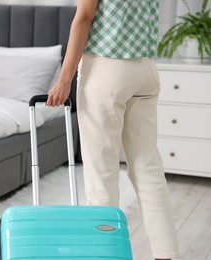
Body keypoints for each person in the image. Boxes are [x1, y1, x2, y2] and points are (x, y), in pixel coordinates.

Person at [46, 0, 180, 259]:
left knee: (101, 177)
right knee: (148, 171)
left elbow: (84, 17)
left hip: (107, 69)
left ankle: (104, 255)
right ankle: (168, 255)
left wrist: (64, 79)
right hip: (146, 68)